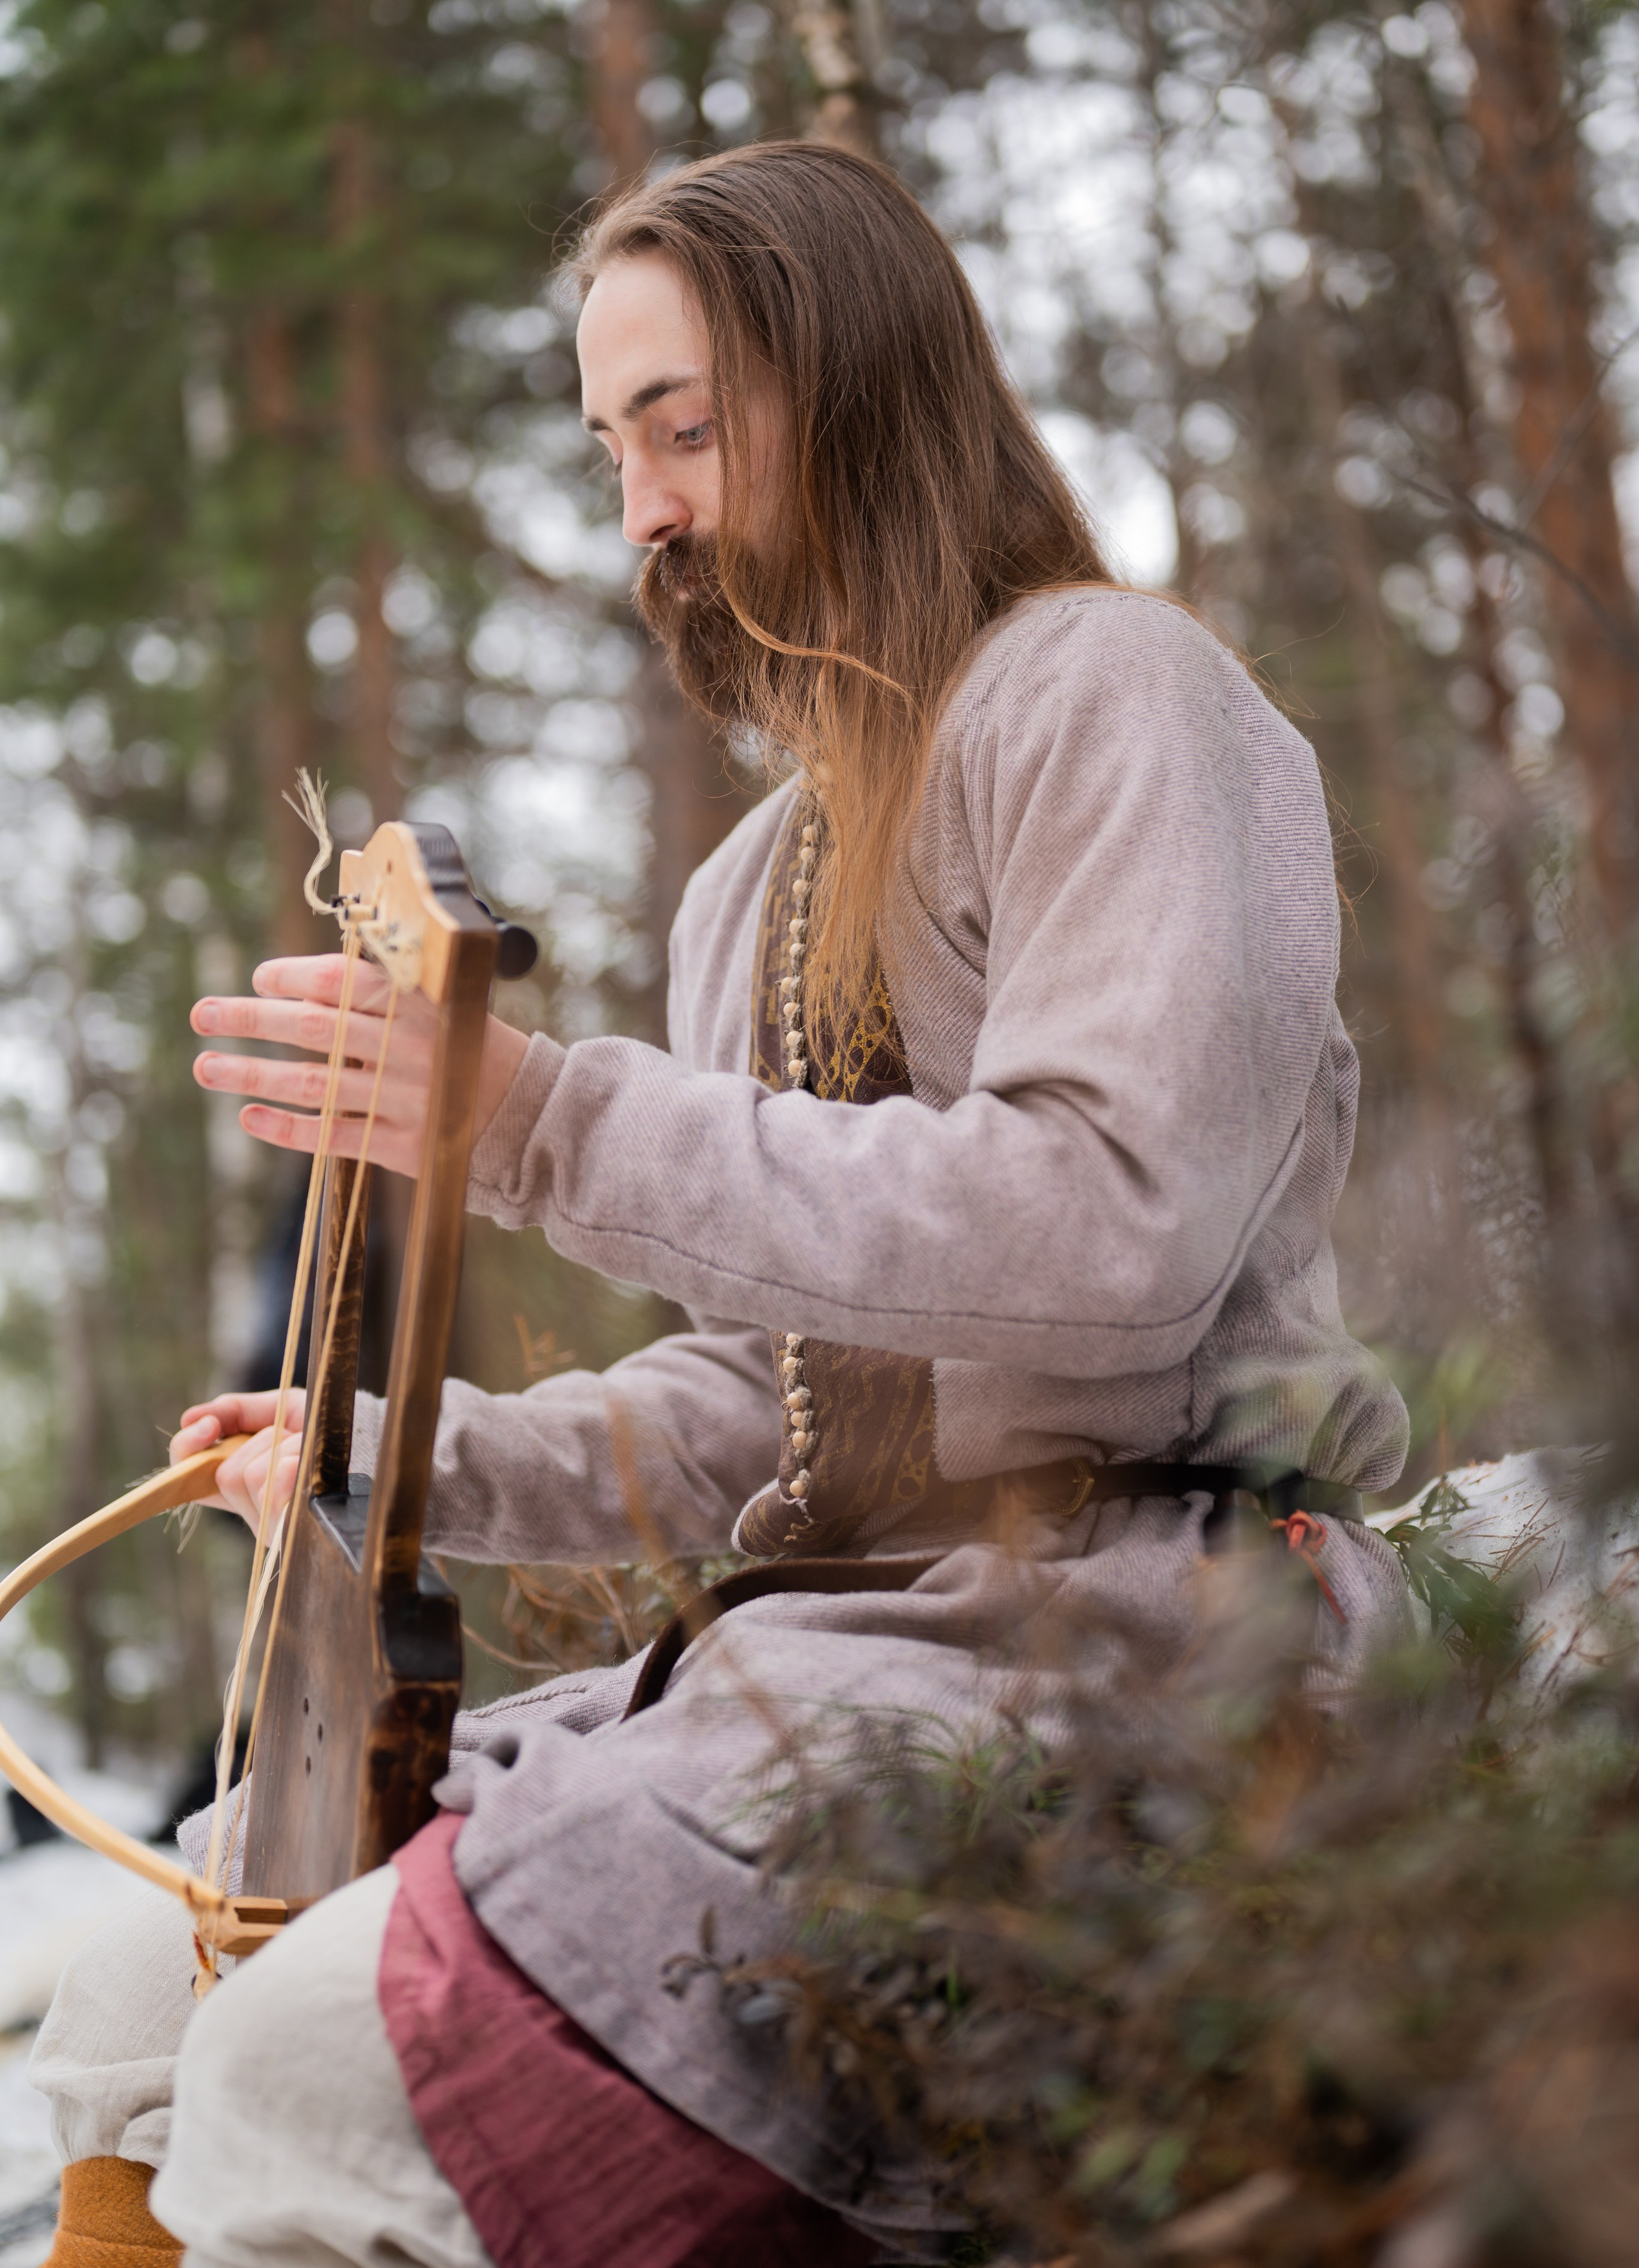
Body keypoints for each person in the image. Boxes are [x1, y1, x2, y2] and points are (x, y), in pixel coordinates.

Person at [32, 141, 1409, 2268]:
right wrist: (399, 1460)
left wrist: (544, 1123)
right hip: (827, 1640)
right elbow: (777, 1415)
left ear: (866, 390)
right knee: (142, 1974)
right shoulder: (741, 884)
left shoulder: (1121, 700)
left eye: (686, 426)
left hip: (1138, 1625)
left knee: (321, 2051)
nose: (644, 510)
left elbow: (1107, 1224)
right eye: (610, 447)